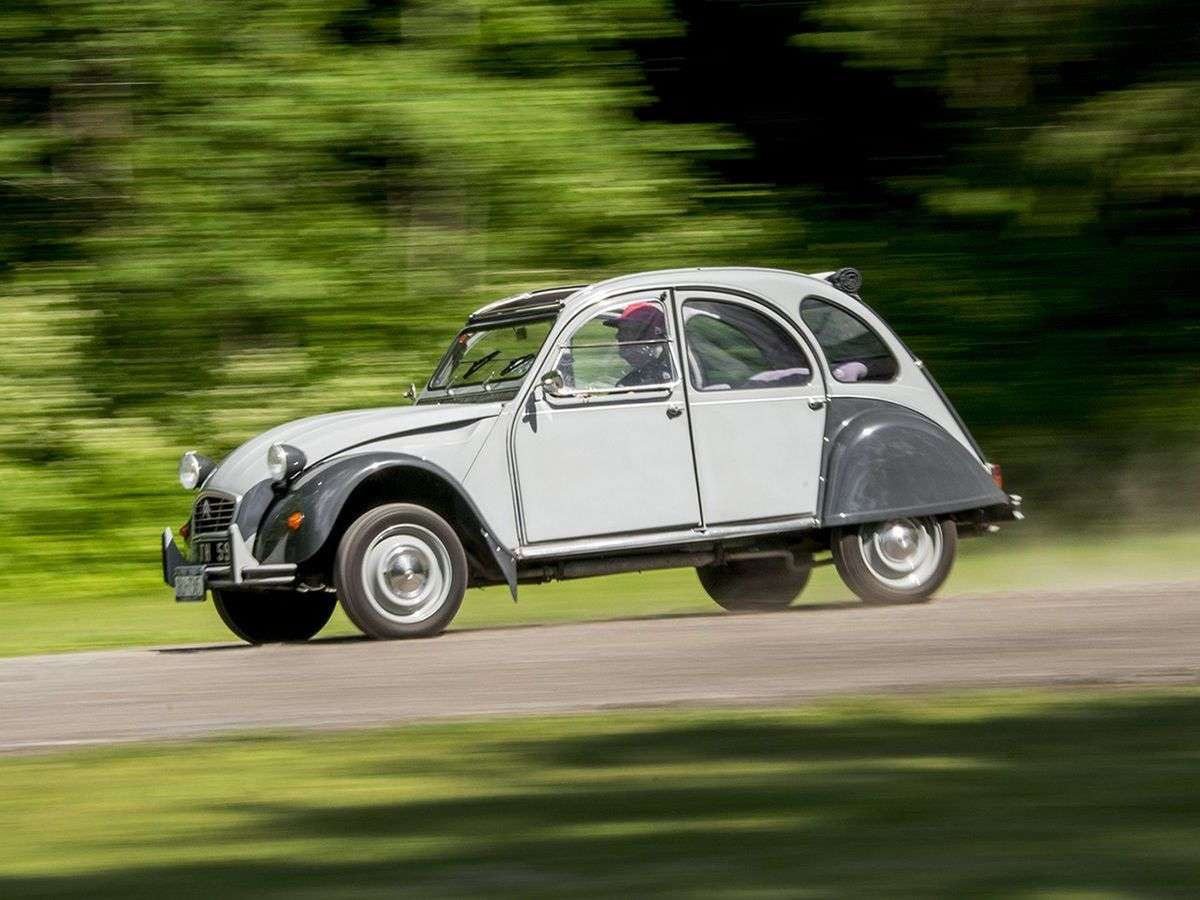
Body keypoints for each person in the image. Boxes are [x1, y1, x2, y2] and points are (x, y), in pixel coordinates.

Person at [604, 301, 673, 387]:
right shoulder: (637, 376)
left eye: (627, 330)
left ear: (649, 337)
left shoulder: (664, 379)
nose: (618, 335)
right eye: (620, 330)